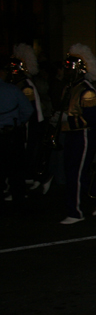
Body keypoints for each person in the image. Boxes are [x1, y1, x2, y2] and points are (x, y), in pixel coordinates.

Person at [58, 44, 96, 224]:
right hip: (73, 135)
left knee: (77, 173)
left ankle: (76, 211)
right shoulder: (71, 87)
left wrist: (66, 120)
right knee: (74, 172)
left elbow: (91, 119)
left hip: (84, 136)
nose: (67, 71)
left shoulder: (86, 90)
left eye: (70, 68)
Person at [0, 63, 34, 210]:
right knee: (16, 169)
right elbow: (28, 110)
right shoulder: (13, 89)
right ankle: (18, 200)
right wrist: (19, 121)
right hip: (11, 134)